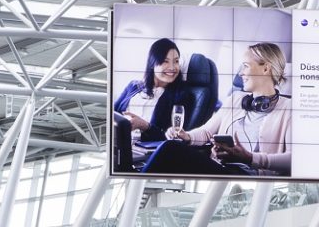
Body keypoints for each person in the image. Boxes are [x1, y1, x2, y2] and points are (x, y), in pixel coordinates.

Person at [154, 42, 292, 177]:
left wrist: (250, 158)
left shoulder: (289, 108)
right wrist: (187, 136)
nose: (240, 74)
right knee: (171, 147)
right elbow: (206, 132)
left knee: (170, 149)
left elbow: (294, 158)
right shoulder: (236, 99)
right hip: (220, 167)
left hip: (249, 175)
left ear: (266, 69)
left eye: (245, 66)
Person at [114, 37, 187, 171]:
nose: (172, 67)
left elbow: (172, 140)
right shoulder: (133, 86)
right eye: (165, 61)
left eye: (176, 61)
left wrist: (145, 126)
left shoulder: (180, 96)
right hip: (119, 145)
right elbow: (113, 114)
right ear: (153, 63)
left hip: (145, 155)